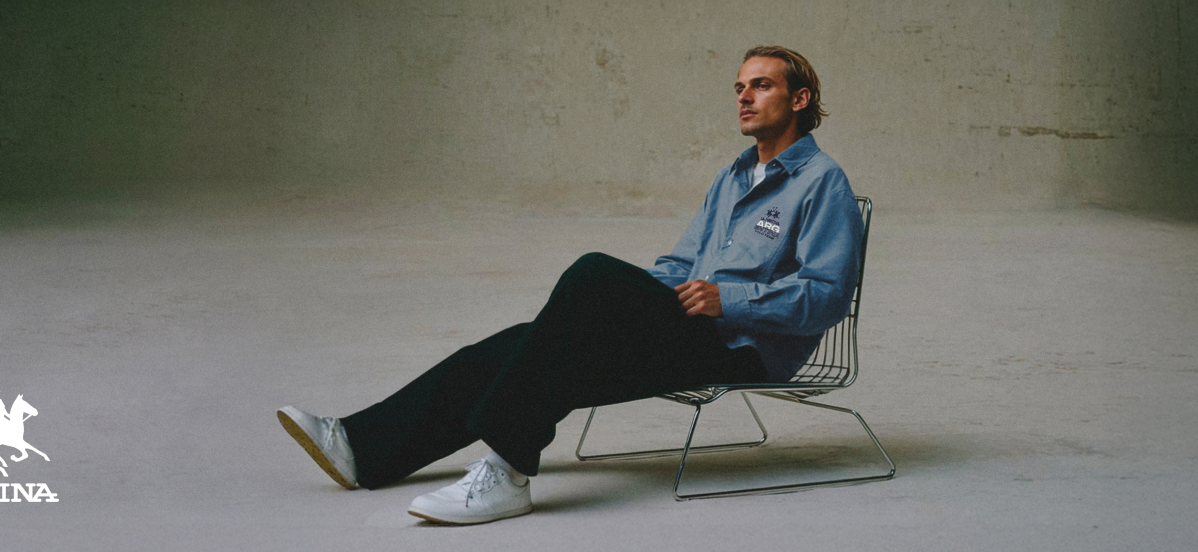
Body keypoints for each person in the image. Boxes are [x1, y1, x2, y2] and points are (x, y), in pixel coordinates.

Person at [277, 45, 863, 525]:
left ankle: (507, 470)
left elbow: (829, 295)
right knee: (526, 341)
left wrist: (727, 299)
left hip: (742, 348)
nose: (744, 97)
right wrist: (626, 305)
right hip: (687, 327)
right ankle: (359, 448)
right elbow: (680, 262)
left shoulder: (822, 182)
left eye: (761, 85)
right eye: (739, 87)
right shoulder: (733, 176)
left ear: (799, 99)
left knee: (591, 273)